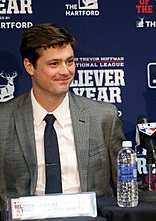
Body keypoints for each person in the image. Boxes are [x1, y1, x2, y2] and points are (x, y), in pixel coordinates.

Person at [0, 23, 125, 210]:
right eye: (54, 63)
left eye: (70, 61)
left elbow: (125, 187)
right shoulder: (3, 119)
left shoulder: (103, 117)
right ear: (29, 67)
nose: (66, 71)